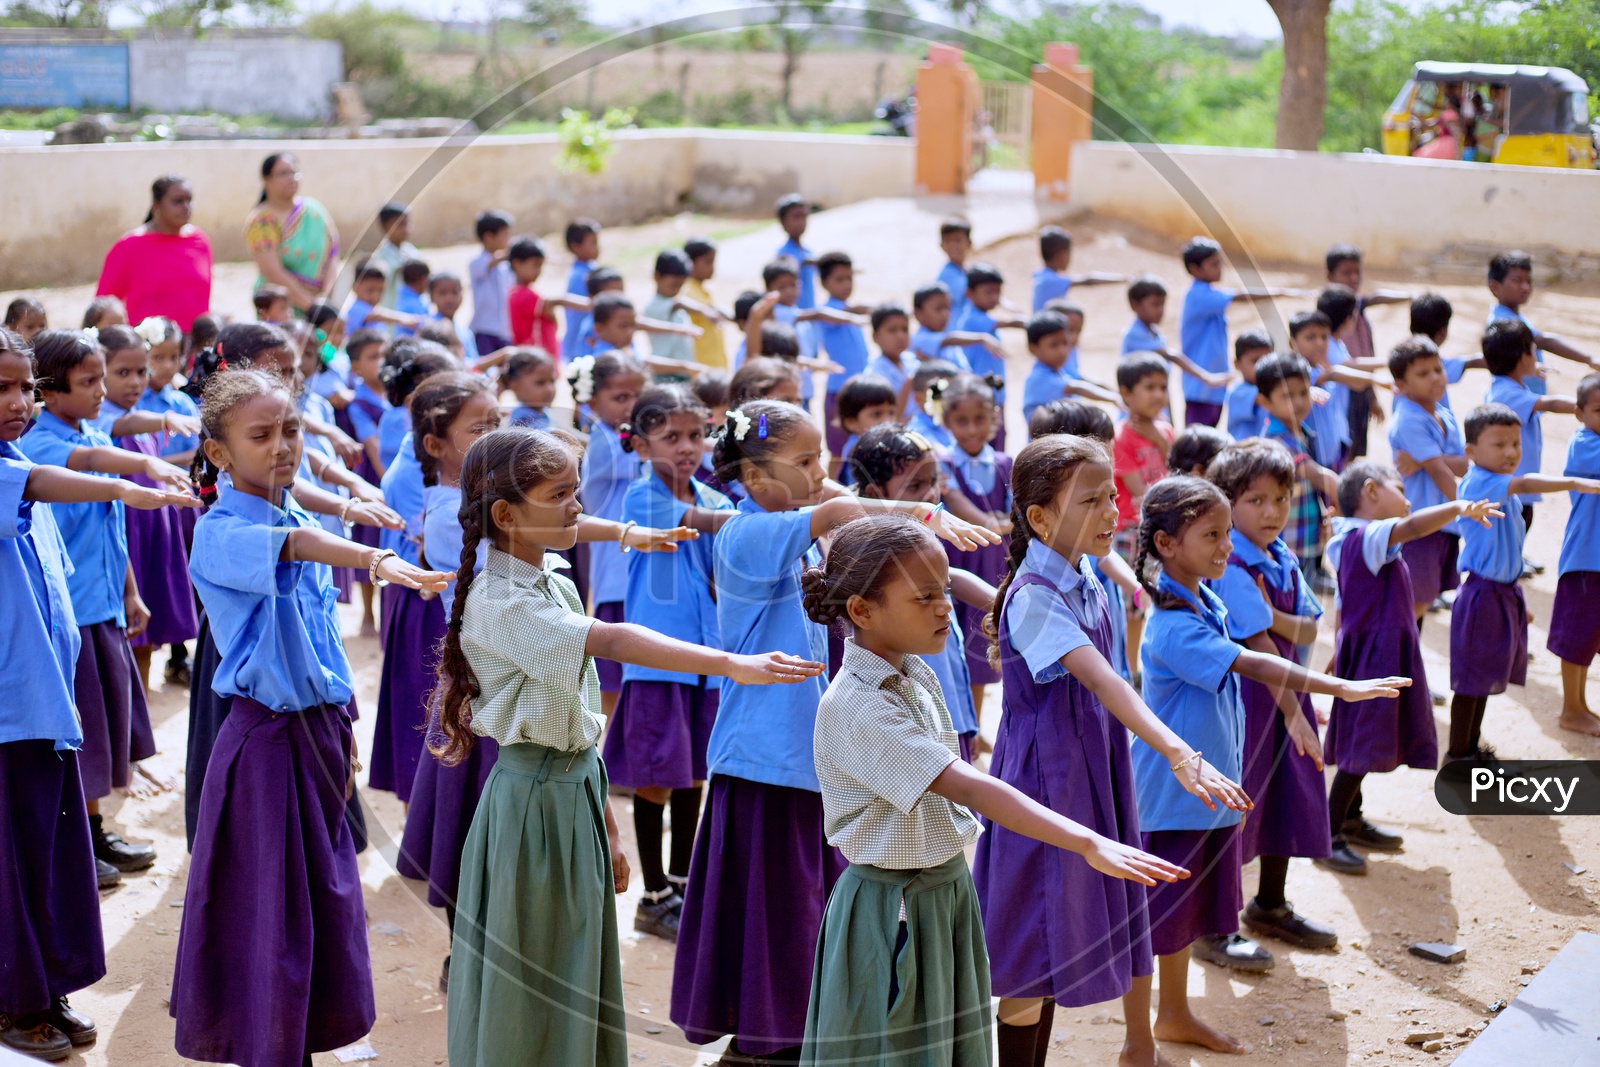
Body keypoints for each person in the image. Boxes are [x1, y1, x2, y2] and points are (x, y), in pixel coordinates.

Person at [428, 423, 819, 1067]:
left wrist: (606, 818)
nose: (578, 507)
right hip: (532, 808)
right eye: (561, 494)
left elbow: (577, 731)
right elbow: (611, 640)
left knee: (573, 957)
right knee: (537, 965)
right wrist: (731, 663)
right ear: (506, 514)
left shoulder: (543, 568)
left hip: (568, 789)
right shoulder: (501, 601)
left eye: (576, 491)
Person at [671, 399, 998, 1061]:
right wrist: (922, 516)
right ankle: (769, 1040)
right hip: (764, 754)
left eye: (822, 457)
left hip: (806, 756)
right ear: (757, 480)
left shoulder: (790, 524)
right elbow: (842, 513)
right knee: (775, 909)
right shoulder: (747, 531)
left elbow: (848, 521)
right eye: (805, 460)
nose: (821, 471)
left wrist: (982, 589)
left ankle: (795, 1031)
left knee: (805, 906)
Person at [799, 514, 1186, 1066]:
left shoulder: (916, 672)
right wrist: (1085, 841)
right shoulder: (856, 704)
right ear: (862, 610)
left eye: (945, 590)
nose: (943, 607)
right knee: (894, 1048)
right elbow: (972, 788)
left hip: (944, 893)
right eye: (924, 596)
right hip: (892, 911)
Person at [169, 366, 450, 1067]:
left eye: (291, 430)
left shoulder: (294, 508)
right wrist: (376, 557)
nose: (282, 446)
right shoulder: (221, 531)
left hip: (318, 734)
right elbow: (297, 548)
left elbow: (320, 635)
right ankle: (268, 1048)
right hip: (264, 742)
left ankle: (303, 1037)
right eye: (260, 435)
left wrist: (344, 724)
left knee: (323, 896)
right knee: (272, 910)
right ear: (218, 453)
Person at [970, 439, 1247, 1066]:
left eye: (1112, 496)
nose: (1109, 512)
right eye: (1089, 500)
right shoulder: (1037, 594)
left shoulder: (1083, 571)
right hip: (1046, 779)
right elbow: (1102, 678)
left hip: (1092, 767)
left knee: (1066, 924)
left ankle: (1138, 1042)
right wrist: (1179, 752)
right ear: (1039, 518)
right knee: (1030, 934)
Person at [1132, 475, 1406, 1054]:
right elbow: (1258, 664)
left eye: (1227, 532)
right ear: (1165, 545)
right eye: (1212, 535)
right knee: (1156, 922)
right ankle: (1140, 1037)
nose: (1226, 546)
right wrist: (1341, 687)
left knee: (1181, 919)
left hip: (1205, 794)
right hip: (1174, 795)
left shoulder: (1201, 598)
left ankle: (1173, 1015)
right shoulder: (1174, 625)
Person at [0, 328, 194, 1060]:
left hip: (39, 703)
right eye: (6, 389)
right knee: (11, 863)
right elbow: (62, 475)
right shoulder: (22, 469)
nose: (19, 403)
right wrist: (129, 485)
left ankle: (40, 988)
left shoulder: (14, 454)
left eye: (23, 387)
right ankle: (13, 1000)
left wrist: (140, 467)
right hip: (8, 711)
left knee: (46, 856)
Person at [18, 329, 198, 887]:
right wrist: (139, 470)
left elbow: (108, 526)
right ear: (48, 392)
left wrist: (128, 591)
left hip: (102, 607)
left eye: (103, 379)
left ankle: (93, 833)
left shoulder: (87, 426)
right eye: (88, 381)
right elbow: (95, 463)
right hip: (67, 615)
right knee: (77, 734)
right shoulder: (42, 445)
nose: (102, 391)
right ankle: (78, 843)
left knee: (99, 730)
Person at [1324, 460, 1499, 875]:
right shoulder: (1366, 535)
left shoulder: (1354, 540)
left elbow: (1344, 604)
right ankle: (1328, 836)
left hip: (1374, 650)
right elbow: (1414, 527)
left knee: (1367, 736)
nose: (1407, 499)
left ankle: (1350, 817)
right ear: (1370, 492)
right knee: (1361, 743)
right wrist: (1458, 508)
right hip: (1375, 656)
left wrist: (1337, 649)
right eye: (1400, 488)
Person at [606, 384, 737, 941]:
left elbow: (724, 540)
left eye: (696, 435)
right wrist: (758, 521)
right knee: (658, 779)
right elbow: (706, 525)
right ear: (638, 445)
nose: (687, 448)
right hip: (657, 661)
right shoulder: (642, 497)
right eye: (671, 437)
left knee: (693, 777)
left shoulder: (713, 499)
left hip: (705, 659)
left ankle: (681, 885)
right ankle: (653, 894)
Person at [1204, 440, 1335, 956]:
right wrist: (1295, 716)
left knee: (1285, 795)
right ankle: (1216, 925)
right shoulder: (1232, 563)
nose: (1272, 511)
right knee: (1240, 806)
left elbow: (1304, 632)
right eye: (1255, 500)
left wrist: (1274, 617)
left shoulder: (1280, 556)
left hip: (1284, 697)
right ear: (1227, 503)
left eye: (1280, 499)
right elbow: (1256, 643)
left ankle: (1270, 904)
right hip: (1251, 707)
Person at [1450, 405, 1600, 760]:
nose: (1511, 452)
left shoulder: (1503, 490)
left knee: (1483, 679)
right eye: (1498, 444)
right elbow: (1527, 481)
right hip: (1481, 594)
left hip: (1499, 592)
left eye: (1516, 443)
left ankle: (1471, 749)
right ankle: (1458, 757)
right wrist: (1576, 482)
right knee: (1472, 682)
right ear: (1470, 452)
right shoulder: (1481, 482)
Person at [847, 426, 992, 759]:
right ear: (874, 492)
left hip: (947, 711)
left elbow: (953, 578)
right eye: (915, 486)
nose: (929, 496)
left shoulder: (921, 541)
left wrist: (1003, 603)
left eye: (933, 482)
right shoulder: (873, 551)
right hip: (910, 722)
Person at [96, 325, 201, 692]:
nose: (135, 382)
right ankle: (130, 709)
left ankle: (143, 705)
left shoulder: (142, 414)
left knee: (151, 620)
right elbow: (122, 424)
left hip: (156, 526)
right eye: (122, 373)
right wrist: (164, 419)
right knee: (129, 625)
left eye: (141, 372)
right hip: (128, 532)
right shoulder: (103, 417)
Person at [571, 351, 648, 718]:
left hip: (639, 576)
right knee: (614, 686)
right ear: (592, 402)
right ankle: (608, 757)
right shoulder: (603, 442)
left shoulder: (632, 440)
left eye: (638, 396)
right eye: (620, 398)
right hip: (617, 581)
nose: (632, 406)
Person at [937, 373, 1013, 717]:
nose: (971, 430)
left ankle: (976, 721)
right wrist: (992, 522)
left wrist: (1004, 521)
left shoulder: (1004, 463)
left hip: (994, 562)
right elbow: (955, 501)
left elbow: (1017, 502)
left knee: (983, 642)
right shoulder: (943, 464)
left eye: (979, 419)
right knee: (956, 639)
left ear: (994, 419)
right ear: (947, 421)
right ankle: (962, 723)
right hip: (960, 561)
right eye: (961, 421)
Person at [1386, 337, 1467, 634]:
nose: (1435, 377)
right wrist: (1467, 508)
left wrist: (1428, 458)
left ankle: (1408, 669)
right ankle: (1391, 658)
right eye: (1423, 374)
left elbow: (1462, 463)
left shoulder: (1444, 415)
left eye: (1438, 369)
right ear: (1401, 386)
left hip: (1444, 521)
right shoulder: (1408, 419)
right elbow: (1440, 470)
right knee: (1416, 599)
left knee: (1424, 598)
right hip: (1420, 522)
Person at [1177, 237, 1295, 427]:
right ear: (1194, 269)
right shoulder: (1198, 295)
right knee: (1198, 442)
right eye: (1214, 264)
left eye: (1220, 262)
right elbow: (1241, 295)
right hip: (1201, 387)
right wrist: (1279, 292)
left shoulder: (1209, 293)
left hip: (1213, 386)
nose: (1220, 267)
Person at [1484, 317, 1576, 556]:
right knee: (1510, 537)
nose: (1536, 356)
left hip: (1517, 484)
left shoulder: (1506, 385)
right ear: (1523, 358)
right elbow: (1551, 403)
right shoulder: (1508, 393)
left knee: (1516, 533)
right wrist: (1585, 405)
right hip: (1514, 485)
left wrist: (1528, 370)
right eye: (1534, 351)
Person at [1254, 352, 1340, 591]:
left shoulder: (1299, 431)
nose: (1300, 402)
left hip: (1304, 534)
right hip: (1290, 541)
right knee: (1295, 601)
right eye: (1288, 396)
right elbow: (1321, 478)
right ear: (1265, 402)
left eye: (1304, 392)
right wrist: (1344, 500)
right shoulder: (1279, 441)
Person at [1325, 244, 1412, 458]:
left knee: (1353, 450)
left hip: (1360, 390)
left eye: (1357, 272)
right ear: (1330, 275)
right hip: (1345, 392)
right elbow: (1346, 366)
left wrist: (1372, 396)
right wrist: (1388, 365)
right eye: (1346, 273)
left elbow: (1376, 297)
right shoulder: (1328, 317)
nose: (1354, 278)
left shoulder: (1359, 306)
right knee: (1343, 452)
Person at [95, 174, 212, 332]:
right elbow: (103, 305)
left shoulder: (200, 241)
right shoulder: (130, 245)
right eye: (178, 201)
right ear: (156, 205)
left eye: (189, 200)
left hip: (193, 347)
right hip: (149, 348)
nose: (186, 207)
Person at [1550, 373, 1600, 737]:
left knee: (1589, 637)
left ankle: (1580, 706)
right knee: (1577, 637)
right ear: (1579, 414)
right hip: (1586, 558)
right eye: (1599, 410)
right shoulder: (1584, 444)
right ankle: (1570, 708)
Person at [1486, 250, 1600, 401]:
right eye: (1517, 281)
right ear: (1495, 287)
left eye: (1529, 281)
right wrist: (1589, 359)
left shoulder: (1515, 316)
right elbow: (1545, 341)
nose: (1526, 287)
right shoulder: (1503, 322)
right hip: (1518, 400)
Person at [245, 152, 339, 312]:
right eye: (283, 173)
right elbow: (272, 272)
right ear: (266, 180)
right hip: (279, 309)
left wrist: (324, 300)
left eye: (294, 172)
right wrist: (310, 306)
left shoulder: (313, 210)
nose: (292, 178)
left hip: (322, 304)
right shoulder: (262, 221)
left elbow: (332, 253)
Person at [953, 264, 1026, 444]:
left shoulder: (983, 318)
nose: (994, 298)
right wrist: (1028, 322)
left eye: (997, 292)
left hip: (993, 396)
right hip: (980, 399)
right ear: (969, 293)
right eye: (988, 292)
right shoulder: (973, 320)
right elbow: (1012, 322)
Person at [1112, 354, 1174, 562]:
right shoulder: (1120, 438)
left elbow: (1176, 472)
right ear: (1126, 393)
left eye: (1163, 388)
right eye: (1150, 388)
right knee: (1134, 592)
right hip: (1131, 530)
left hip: (1161, 522)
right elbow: (1139, 490)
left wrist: (1162, 443)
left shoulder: (1165, 431)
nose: (1158, 395)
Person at [815, 251, 872, 466]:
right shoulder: (829, 311)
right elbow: (827, 314)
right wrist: (854, 316)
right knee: (838, 453)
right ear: (824, 283)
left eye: (849, 278)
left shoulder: (849, 310)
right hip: (838, 391)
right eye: (839, 279)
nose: (846, 284)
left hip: (859, 389)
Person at [1020, 310, 1119, 423]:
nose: (1062, 351)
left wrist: (1115, 392)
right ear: (1033, 348)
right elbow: (1076, 387)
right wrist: (1112, 398)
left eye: (1065, 343)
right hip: (1048, 439)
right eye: (1053, 345)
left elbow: (1082, 379)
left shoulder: (1059, 371)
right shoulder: (1038, 378)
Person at [468, 209, 515, 355]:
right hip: (484, 329)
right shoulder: (476, 263)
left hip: (504, 330)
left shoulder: (505, 266)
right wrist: (511, 253)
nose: (507, 239)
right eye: (505, 235)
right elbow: (489, 263)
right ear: (489, 237)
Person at [682, 235, 729, 369]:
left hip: (714, 367)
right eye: (708, 262)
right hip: (703, 367)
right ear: (690, 263)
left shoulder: (700, 290)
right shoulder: (687, 292)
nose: (712, 267)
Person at [561, 218, 602, 362]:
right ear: (575, 247)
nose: (598, 247)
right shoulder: (579, 277)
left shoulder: (591, 269)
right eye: (593, 243)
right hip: (581, 344)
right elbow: (581, 314)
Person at [371, 201, 419, 309]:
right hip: (392, 308)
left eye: (407, 223)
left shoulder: (411, 251)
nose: (406, 229)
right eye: (400, 225)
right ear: (385, 227)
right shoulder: (381, 256)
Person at [1225, 329, 1271, 441]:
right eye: (1255, 361)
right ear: (1237, 364)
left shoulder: (1272, 391)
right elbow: (1262, 398)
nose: (1262, 367)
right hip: (1244, 454)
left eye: (1267, 360)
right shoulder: (1236, 392)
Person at [502, 347, 557, 430]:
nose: (550, 389)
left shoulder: (544, 411)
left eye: (552, 382)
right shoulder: (521, 418)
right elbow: (548, 436)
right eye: (540, 383)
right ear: (515, 386)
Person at [937, 216, 973, 327]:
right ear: (942, 245)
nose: (953, 246)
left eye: (958, 240)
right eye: (948, 241)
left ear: (969, 243)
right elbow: (976, 294)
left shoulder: (966, 271)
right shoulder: (947, 275)